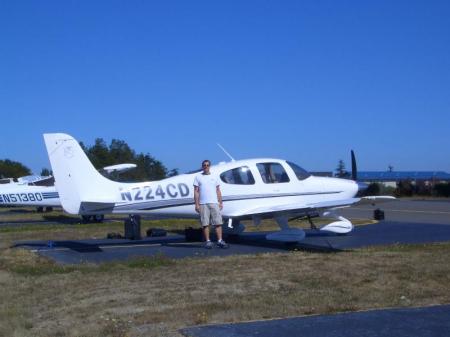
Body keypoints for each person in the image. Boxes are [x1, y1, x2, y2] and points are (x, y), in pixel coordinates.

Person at [194, 159, 228, 249]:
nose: (206, 166)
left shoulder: (215, 176)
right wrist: (196, 204)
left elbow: (218, 190)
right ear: (202, 167)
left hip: (214, 203)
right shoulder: (198, 177)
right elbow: (196, 191)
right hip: (203, 203)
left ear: (210, 166)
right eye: (204, 165)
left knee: (218, 223)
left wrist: (220, 202)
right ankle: (208, 241)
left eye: (207, 165)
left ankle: (220, 240)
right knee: (205, 224)